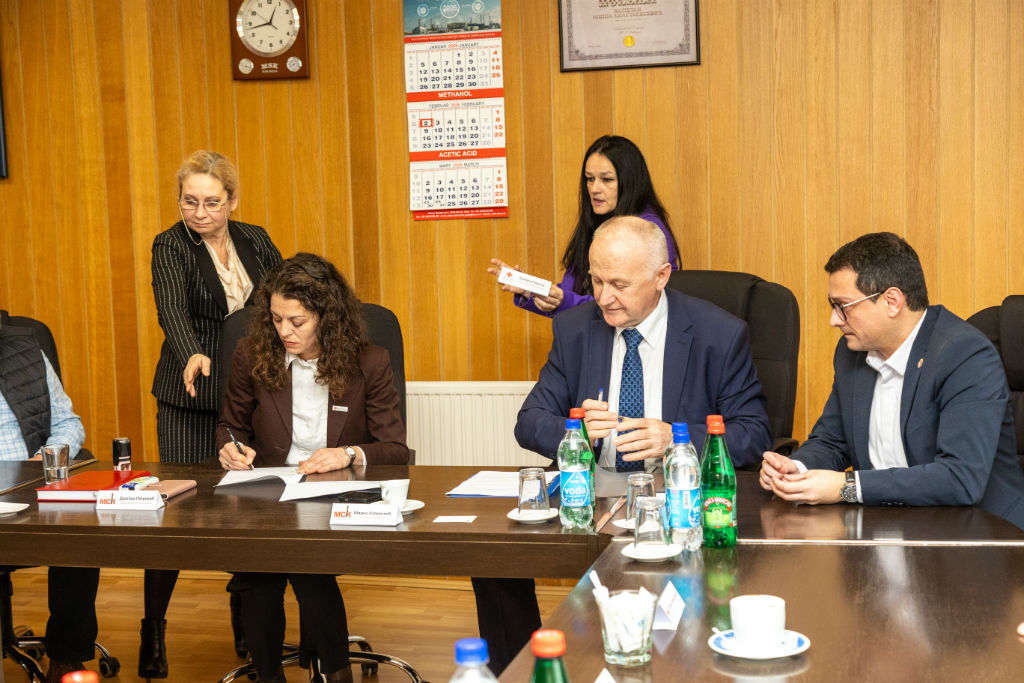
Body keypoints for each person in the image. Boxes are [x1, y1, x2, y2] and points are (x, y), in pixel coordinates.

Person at [475, 216, 771, 675]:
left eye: (619, 284)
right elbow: (529, 422)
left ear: (661, 276)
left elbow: (754, 433)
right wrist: (575, 430)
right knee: (492, 554)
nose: (604, 297)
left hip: (675, 497)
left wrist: (677, 440)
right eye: (596, 281)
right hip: (591, 496)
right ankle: (522, 671)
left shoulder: (718, 333)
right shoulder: (575, 329)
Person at [217, 253, 409, 683]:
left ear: (327, 318)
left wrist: (347, 454)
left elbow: (395, 449)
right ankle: (270, 675)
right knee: (258, 572)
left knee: (308, 565)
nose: (284, 331)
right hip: (268, 494)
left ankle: (335, 672)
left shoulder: (369, 362)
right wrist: (231, 448)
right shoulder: (252, 354)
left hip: (334, 494)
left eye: (297, 321)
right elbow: (231, 425)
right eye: (276, 319)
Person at [759, 232, 1024, 531]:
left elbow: (960, 478)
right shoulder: (852, 352)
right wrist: (796, 467)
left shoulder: (965, 355)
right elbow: (833, 441)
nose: (834, 320)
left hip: (980, 533)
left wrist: (847, 486)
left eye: (843, 306)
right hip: (887, 526)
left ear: (892, 301)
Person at [143, 150, 283, 678]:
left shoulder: (256, 238)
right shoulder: (170, 245)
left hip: (250, 394)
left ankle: (246, 621)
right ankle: (153, 629)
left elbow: (284, 296)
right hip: (192, 394)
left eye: (211, 203)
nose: (199, 213)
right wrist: (191, 353)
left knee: (247, 508)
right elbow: (171, 309)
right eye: (189, 202)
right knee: (176, 514)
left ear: (233, 201)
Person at [0, 321, 98, 683]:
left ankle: (67, 657)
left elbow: (68, 423)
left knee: (80, 523)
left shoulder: (26, 350)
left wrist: (41, 463)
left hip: (34, 490)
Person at [487, 135, 681, 316]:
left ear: (630, 182)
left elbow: (628, 306)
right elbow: (568, 294)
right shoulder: (597, 221)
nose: (595, 189)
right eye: (590, 179)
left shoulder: (647, 230)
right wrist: (530, 289)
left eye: (607, 180)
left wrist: (563, 301)